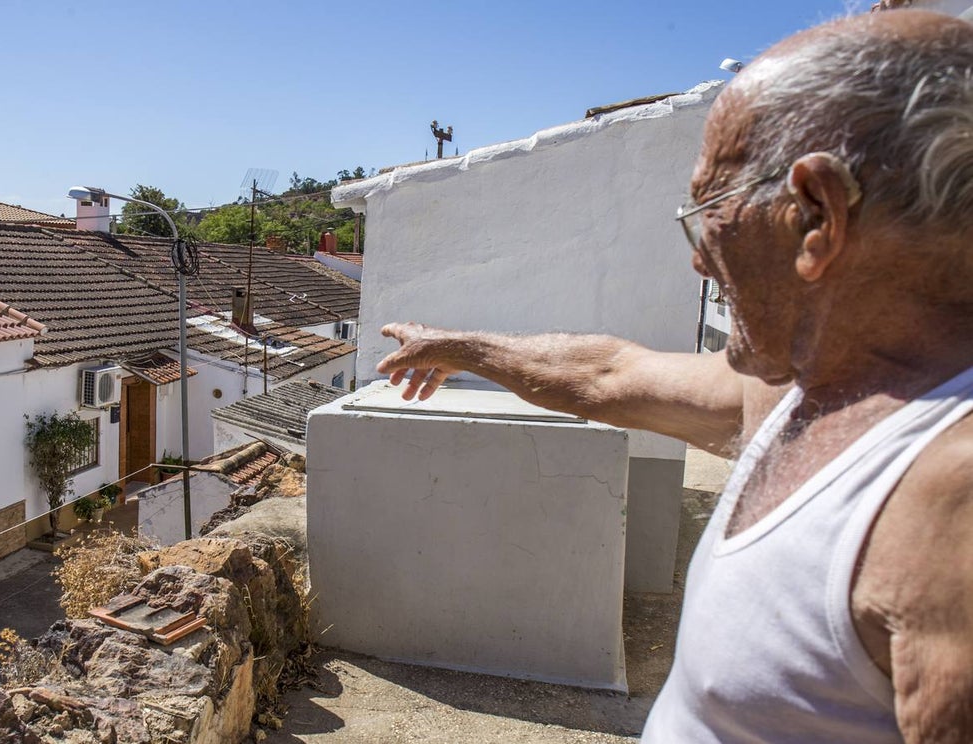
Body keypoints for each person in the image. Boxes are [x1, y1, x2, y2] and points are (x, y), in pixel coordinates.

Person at [376, 9, 973, 743]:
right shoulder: (806, 390)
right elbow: (606, 373)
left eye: (710, 209)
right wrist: (457, 346)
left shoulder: (949, 510)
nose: (699, 259)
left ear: (817, 216)